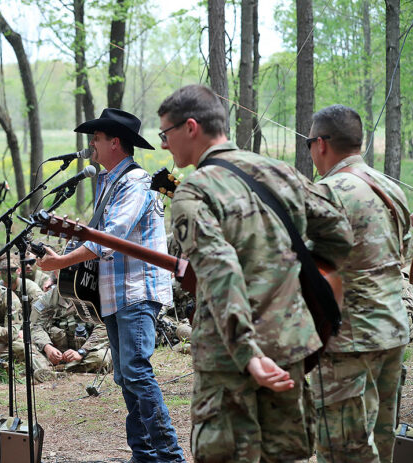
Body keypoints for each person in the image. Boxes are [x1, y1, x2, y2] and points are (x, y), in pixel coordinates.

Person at [158, 84, 354, 462]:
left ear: (191, 127)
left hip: (230, 362)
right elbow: (340, 232)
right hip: (289, 346)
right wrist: (296, 273)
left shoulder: (193, 193)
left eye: (166, 133)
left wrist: (248, 354)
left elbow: (219, 271)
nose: (164, 144)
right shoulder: (278, 172)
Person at [39, 108, 186, 463]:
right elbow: (99, 238)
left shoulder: (135, 182)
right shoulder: (110, 183)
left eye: (97, 139)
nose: (91, 145)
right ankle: (145, 454)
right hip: (116, 293)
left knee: (136, 370)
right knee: (124, 376)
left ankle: (170, 457)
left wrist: (60, 262)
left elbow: (112, 238)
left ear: (115, 143)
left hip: (136, 290)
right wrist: (65, 257)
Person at [307, 105, 410, 463]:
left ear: (321, 144)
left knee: (342, 453)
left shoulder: (326, 193)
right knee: (381, 449)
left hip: (347, 345)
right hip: (393, 334)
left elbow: (303, 268)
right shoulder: (392, 190)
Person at [30, 287, 111, 374]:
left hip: (86, 353)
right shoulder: (48, 298)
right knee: (30, 350)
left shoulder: (94, 293)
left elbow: (104, 326)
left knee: (101, 357)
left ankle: (57, 371)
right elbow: (35, 325)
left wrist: (82, 351)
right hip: (57, 352)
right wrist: (47, 347)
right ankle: (51, 370)